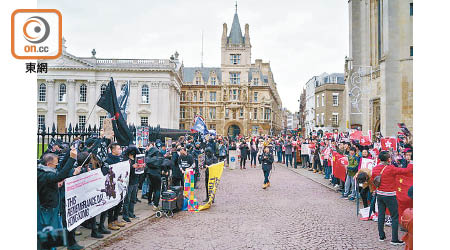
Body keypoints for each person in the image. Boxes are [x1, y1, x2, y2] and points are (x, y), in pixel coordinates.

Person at [38, 147, 84, 250]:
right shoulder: (46, 175)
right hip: (48, 209)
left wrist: (69, 152)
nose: (57, 166)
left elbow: (59, 170)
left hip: (52, 207)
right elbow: (61, 175)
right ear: (49, 164)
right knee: (48, 232)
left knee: (55, 232)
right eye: (55, 164)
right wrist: (72, 159)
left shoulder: (44, 170)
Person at [371, 151, 413, 246]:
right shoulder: (391, 168)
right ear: (389, 159)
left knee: (381, 215)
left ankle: (381, 236)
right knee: (394, 216)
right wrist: (410, 163)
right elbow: (406, 171)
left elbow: (373, 180)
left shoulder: (375, 168)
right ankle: (394, 239)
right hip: (390, 195)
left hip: (380, 194)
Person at [105, 143, 126, 231]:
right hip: (112, 185)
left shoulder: (120, 158)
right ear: (113, 150)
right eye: (118, 149)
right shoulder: (109, 160)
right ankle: (110, 222)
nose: (120, 150)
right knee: (112, 204)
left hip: (119, 184)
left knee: (119, 202)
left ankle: (115, 219)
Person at [122, 146, 140, 222]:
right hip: (129, 182)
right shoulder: (125, 160)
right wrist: (132, 167)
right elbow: (124, 170)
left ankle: (131, 213)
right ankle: (125, 215)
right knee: (127, 200)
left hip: (135, 181)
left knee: (133, 199)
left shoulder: (136, 159)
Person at [145, 146, 164, 211]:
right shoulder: (159, 157)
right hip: (157, 174)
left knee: (151, 188)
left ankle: (149, 200)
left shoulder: (148, 158)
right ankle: (155, 205)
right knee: (157, 189)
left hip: (150, 173)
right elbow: (163, 164)